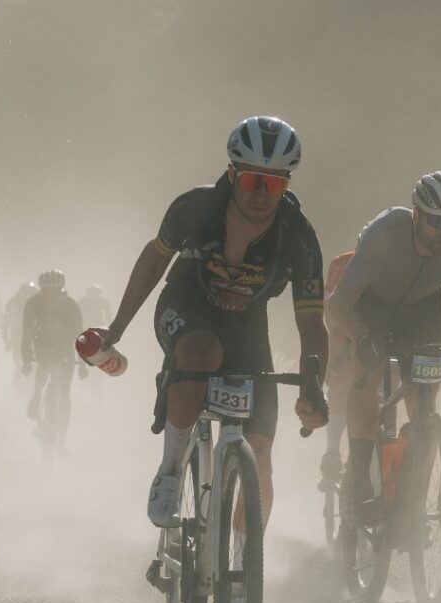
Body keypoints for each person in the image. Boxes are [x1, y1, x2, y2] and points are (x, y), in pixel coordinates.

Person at [99, 116, 328, 529]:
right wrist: (117, 329)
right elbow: (154, 260)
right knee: (202, 351)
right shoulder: (195, 207)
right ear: (231, 173)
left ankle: (243, 568)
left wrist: (315, 385)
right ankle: (169, 471)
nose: (261, 195)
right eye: (252, 182)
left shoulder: (298, 235)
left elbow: (312, 321)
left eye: (274, 185)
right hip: (187, 303)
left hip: (247, 327)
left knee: (260, 460)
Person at [325, 171, 441, 523]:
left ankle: (413, 494)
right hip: (369, 304)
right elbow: (338, 305)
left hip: (421, 310)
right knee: (369, 371)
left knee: (425, 392)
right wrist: (362, 339)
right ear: (416, 213)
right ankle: (360, 476)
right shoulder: (386, 231)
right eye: (437, 220)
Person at [21, 270, 86, 450]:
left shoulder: (71, 305)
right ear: (41, 290)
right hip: (43, 346)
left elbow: (80, 335)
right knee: (45, 362)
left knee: (64, 394)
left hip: (65, 348)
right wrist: (26, 360)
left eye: (56, 291)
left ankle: (62, 440)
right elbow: (27, 334)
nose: (52, 296)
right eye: (48, 292)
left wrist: (83, 363)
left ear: (61, 290)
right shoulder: (33, 303)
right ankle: (36, 394)